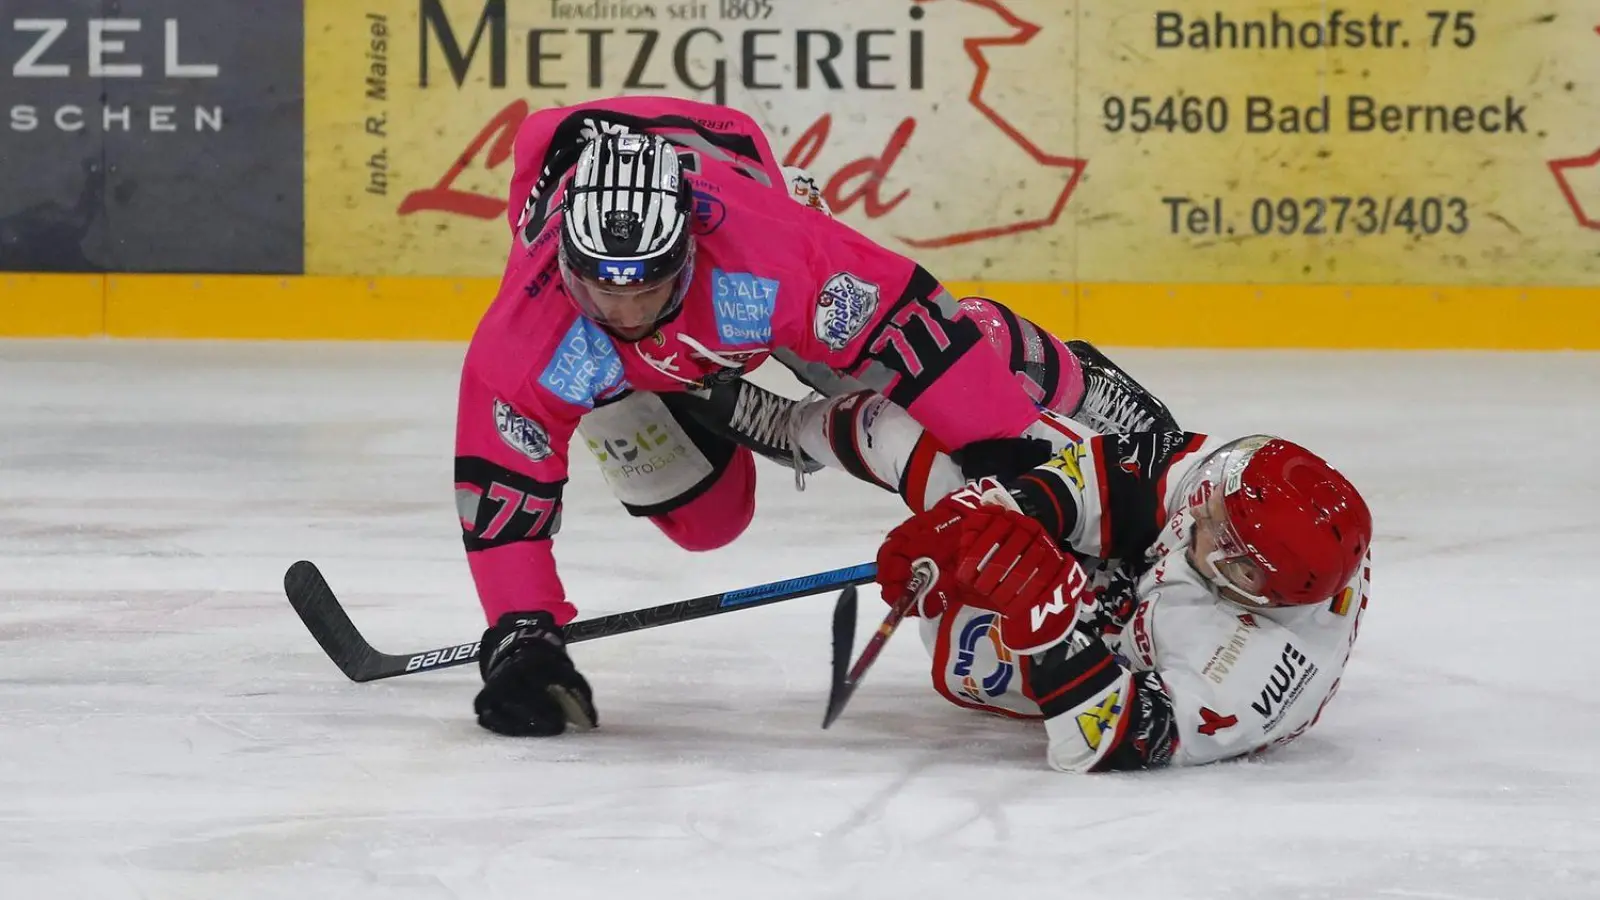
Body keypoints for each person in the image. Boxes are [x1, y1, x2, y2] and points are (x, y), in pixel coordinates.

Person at [455, 93, 1172, 738]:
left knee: (969, 347)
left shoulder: (770, 253)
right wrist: (522, 632)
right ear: (567, 263)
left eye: (651, 286)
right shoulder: (525, 338)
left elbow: (911, 320)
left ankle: (1076, 377)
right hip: (645, 368)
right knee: (710, 524)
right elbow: (503, 495)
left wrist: (1002, 447)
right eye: (602, 292)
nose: (628, 312)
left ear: (691, 248)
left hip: (744, 225)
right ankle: (721, 397)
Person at [847, 412, 1373, 772]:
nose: (1196, 511)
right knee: (973, 437)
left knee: (962, 637)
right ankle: (797, 427)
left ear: (1249, 584)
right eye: (1211, 502)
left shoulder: (1247, 674)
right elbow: (1110, 481)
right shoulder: (1250, 499)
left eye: (1216, 530)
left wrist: (1044, 611)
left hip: (1115, 647)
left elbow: (1110, 738)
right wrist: (975, 517)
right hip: (1145, 576)